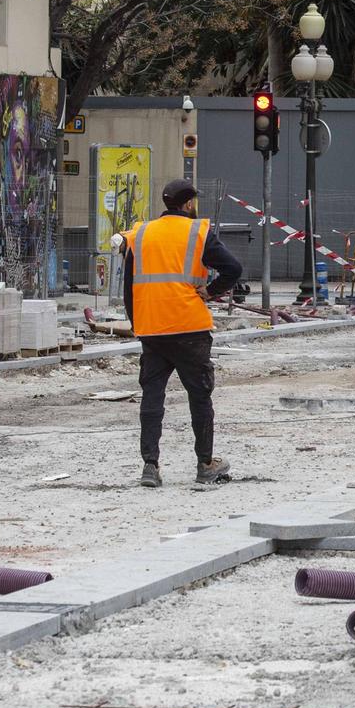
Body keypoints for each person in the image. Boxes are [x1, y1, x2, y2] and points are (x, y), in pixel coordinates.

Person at [123, 179, 243, 486]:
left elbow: (128, 286)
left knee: (152, 397)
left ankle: (150, 466)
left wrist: (138, 324)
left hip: (152, 329)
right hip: (189, 327)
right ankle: (205, 464)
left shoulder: (141, 233)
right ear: (188, 204)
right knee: (200, 396)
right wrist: (210, 292)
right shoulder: (198, 232)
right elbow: (233, 269)